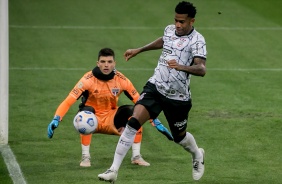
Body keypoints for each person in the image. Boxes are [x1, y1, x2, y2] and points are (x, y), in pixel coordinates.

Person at [98, 1, 207, 183]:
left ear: (192, 21)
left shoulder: (198, 40)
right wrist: (139, 50)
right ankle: (113, 170)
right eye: (176, 20)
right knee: (133, 122)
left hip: (178, 97)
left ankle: (197, 154)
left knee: (179, 137)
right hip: (156, 87)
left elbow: (201, 69)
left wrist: (180, 66)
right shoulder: (170, 30)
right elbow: (164, 41)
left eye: (182, 22)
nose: (178, 25)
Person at [47, 48, 173, 168]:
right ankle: (85, 157)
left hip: (111, 119)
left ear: (114, 63)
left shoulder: (121, 80)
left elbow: (142, 103)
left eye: (109, 62)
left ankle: (136, 156)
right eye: (103, 62)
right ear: (98, 63)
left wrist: (154, 120)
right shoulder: (87, 80)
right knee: (86, 112)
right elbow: (68, 101)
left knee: (135, 113)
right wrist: (57, 118)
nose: (106, 65)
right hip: (92, 119)